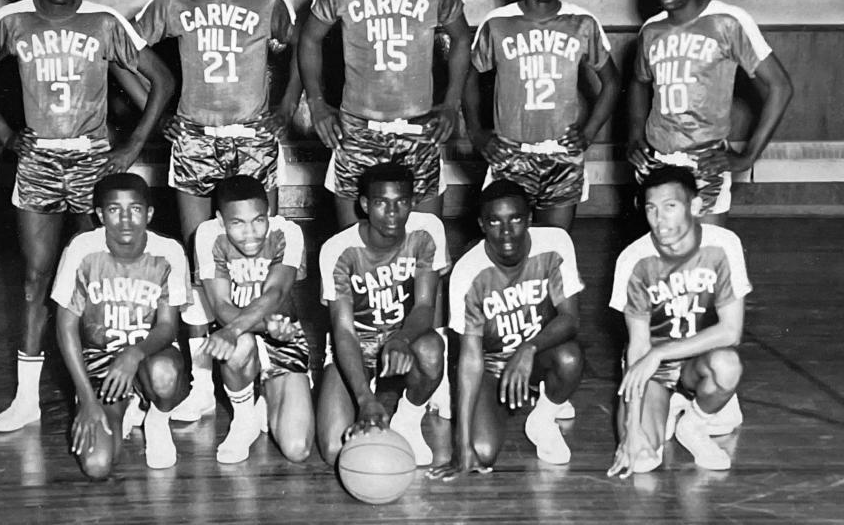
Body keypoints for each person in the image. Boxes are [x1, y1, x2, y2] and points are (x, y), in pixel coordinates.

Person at [0, 0, 174, 432]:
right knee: (36, 279)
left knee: (93, 277)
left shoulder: (103, 21)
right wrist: (2, 132)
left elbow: (161, 80)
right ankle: (27, 398)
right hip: (38, 161)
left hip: (92, 162)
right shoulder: (11, 21)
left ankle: (105, 386)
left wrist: (134, 144)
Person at [122, 0, 302, 422]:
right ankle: (203, 378)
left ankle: (265, 362)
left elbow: (302, 49)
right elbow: (125, 52)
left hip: (251, 139)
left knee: (261, 255)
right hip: (195, 138)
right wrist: (155, 116)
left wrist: (286, 108)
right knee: (201, 257)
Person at [299, 0, 471, 228]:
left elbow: (463, 39)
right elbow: (308, 40)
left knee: (426, 243)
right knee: (350, 245)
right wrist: (317, 104)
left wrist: (451, 104)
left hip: (418, 127)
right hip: (358, 129)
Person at [627, 0, 793, 225]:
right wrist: (634, 134)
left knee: (706, 258)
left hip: (705, 161)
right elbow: (640, 83)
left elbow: (781, 86)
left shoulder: (727, 21)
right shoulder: (651, 30)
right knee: (661, 259)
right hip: (657, 160)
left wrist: (748, 156)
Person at [427, 180, 583, 480]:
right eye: (495, 221)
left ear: (529, 219)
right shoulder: (467, 272)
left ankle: (543, 417)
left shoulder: (555, 243)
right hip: (491, 364)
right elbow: (471, 359)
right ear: (482, 225)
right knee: (482, 451)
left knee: (570, 358)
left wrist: (529, 348)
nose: (507, 231)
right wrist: (461, 446)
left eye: (515, 219)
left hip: (536, 353)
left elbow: (570, 319)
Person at [463, 0, 620, 232]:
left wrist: (587, 133)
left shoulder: (582, 22)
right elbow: (469, 80)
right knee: (507, 245)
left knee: (556, 244)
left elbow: (612, 83)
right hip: (510, 153)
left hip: (561, 153)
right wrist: (476, 133)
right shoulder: (498, 22)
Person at [607, 166, 750, 476]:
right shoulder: (634, 260)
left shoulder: (724, 245)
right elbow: (639, 347)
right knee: (642, 460)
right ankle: (670, 406)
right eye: (651, 208)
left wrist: (661, 351)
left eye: (670, 207)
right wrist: (631, 431)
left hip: (699, 362)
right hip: (652, 370)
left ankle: (695, 424)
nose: (660, 219)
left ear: (695, 207)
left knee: (728, 365)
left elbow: (731, 331)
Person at [52, 173, 191, 476]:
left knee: (163, 375)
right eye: (115, 209)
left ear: (149, 213)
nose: (126, 220)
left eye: (136, 209)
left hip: (150, 357)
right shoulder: (82, 250)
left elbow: (168, 327)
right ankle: (126, 410)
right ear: (100, 215)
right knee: (97, 465)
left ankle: (156, 418)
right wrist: (87, 399)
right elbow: (65, 328)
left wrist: (133, 354)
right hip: (101, 365)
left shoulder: (168, 251)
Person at [316, 163, 449, 466]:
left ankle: (408, 418)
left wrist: (401, 339)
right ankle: (370, 391)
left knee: (431, 350)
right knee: (336, 450)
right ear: (364, 205)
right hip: (356, 343)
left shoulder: (427, 230)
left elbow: (425, 306)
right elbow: (344, 331)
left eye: (401, 202)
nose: (392, 213)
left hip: (402, 337)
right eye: (381, 203)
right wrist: (364, 399)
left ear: (413, 202)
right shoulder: (338, 249)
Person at [194, 175, 314, 464]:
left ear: (269, 214)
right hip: (240, 331)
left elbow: (276, 291)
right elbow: (221, 304)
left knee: (298, 449)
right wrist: (236, 330)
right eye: (238, 223)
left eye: (259, 220)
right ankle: (244, 416)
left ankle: (269, 397)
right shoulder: (208, 234)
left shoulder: (288, 232)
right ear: (221, 220)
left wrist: (265, 330)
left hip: (283, 332)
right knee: (239, 345)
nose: (251, 234)